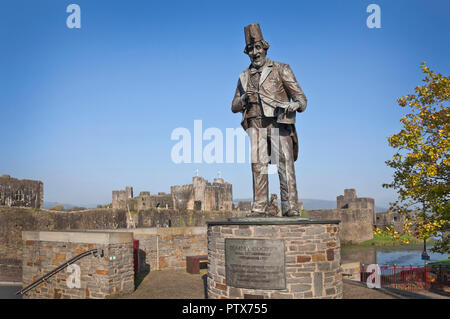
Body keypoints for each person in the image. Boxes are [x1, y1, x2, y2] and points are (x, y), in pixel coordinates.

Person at [231, 23, 307, 217]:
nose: (255, 53)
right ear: (247, 52)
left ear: (264, 48)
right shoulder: (244, 76)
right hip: (255, 124)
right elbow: (234, 106)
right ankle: (259, 207)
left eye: (258, 48)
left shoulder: (281, 69)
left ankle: (290, 207)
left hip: (279, 123)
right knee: (258, 166)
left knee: (285, 164)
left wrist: (294, 105)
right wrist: (244, 99)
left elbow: (302, 100)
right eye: (250, 49)